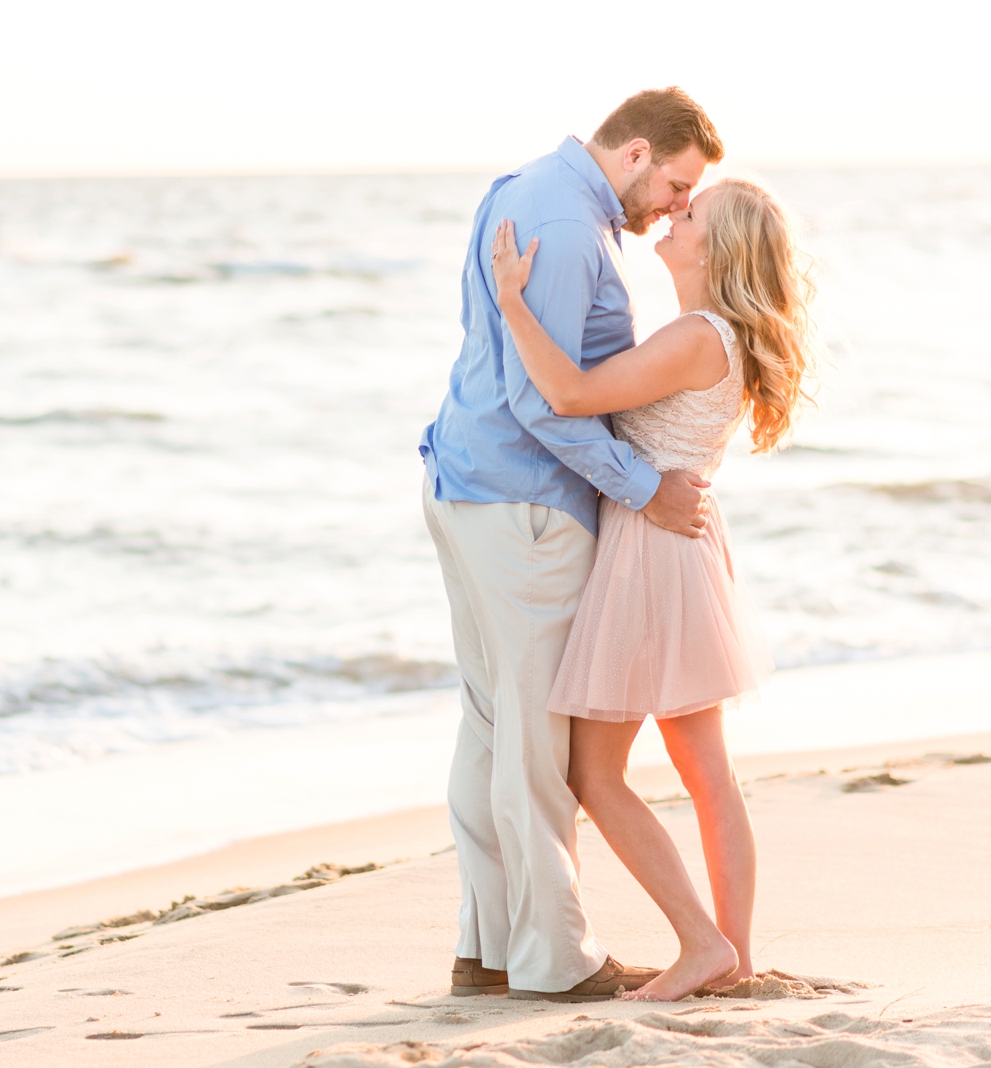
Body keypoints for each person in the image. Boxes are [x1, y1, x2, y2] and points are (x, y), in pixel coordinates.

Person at [419, 87, 723, 1001]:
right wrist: (645, 489)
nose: (674, 206)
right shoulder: (564, 218)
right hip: (526, 506)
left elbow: (505, 362)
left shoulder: (525, 189)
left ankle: (491, 947)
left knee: (491, 727)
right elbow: (541, 398)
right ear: (635, 153)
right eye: (674, 185)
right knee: (536, 744)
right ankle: (555, 959)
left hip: (470, 485)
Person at [489, 176, 815, 1000]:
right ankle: (728, 954)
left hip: (648, 553)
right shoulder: (716, 336)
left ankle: (702, 946)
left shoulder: (698, 337)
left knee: (595, 774)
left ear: (717, 247)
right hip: (682, 551)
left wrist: (513, 306)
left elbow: (569, 395)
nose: (673, 215)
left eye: (690, 213)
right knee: (706, 770)